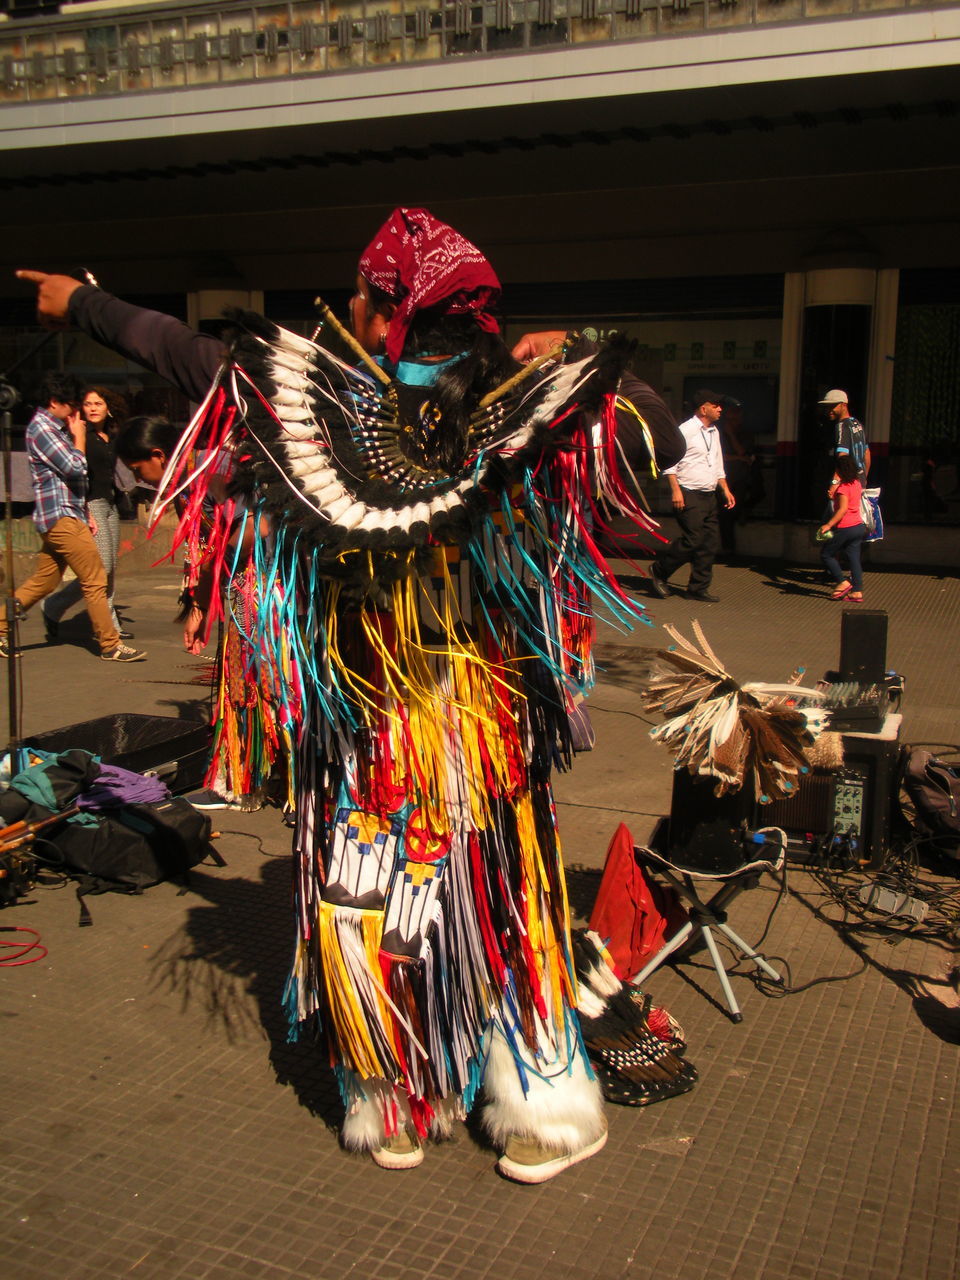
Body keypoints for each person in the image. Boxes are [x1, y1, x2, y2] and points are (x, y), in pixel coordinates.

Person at [17, 208, 681, 1183]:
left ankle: (398, 1101)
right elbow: (652, 430)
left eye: (368, 294)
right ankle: (545, 1102)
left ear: (380, 313)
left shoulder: (301, 398)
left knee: (370, 902)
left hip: (361, 727)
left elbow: (173, 348)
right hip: (477, 727)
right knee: (501, 905)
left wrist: (82, 302)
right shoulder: (537, 400)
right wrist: (573, 350)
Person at [0, 371, 145, 662]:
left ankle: (1, 625)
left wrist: (84, 513)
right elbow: (75, 468)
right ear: (55, 402)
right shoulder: (42, 428)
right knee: (94, 576)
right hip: (59, 516)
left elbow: (75, 482)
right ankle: (109, 644)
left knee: (45, 581)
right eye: (73, 404)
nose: (77, 410)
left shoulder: (54, 426)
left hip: (68, 513)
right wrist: (79, 436)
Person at [41, 385, 131, 642]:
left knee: (110, 568)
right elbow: (73, 474)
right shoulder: (79, 435)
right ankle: (58, 605)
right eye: (89, 404)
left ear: (108, 408)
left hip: (110, 504)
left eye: (98, 404)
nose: (92, 408)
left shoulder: (110, 436)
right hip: (91, 505)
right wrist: (83, 510)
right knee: (99, 569)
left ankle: (105, 619)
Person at [647, 389, 735, 602]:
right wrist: (676, 491)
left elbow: (717, 462)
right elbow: (669, 463)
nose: (720, 409)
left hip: (708, 493)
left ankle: (698, 588)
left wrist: (725, 489)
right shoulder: (685, 431)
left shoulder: (714, 432)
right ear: (703, 408)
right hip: (689, 492)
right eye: (716, 405)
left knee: (710, 542)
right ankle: (659, 570)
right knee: (693, 539)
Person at [818, 452, 866, 602]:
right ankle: (857, 591)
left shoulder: (843, 488)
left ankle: (842, 582)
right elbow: (851, 503)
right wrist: (835, 497)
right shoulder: (857, 483)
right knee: (854, 559)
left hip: (845, 527)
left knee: (827, 554)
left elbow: (842, 509)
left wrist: (828, 524)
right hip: (858, 526)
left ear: (840, 470)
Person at [818, 389, 870, 482]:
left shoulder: (842, 426)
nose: (829, 410)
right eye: (827, 407)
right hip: (859, 482)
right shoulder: (858, 424)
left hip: (846, 482)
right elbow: (866, 453)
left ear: (844, 405)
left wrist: (835, 481)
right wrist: (864, 478)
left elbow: (842, 456)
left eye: (832, 406)